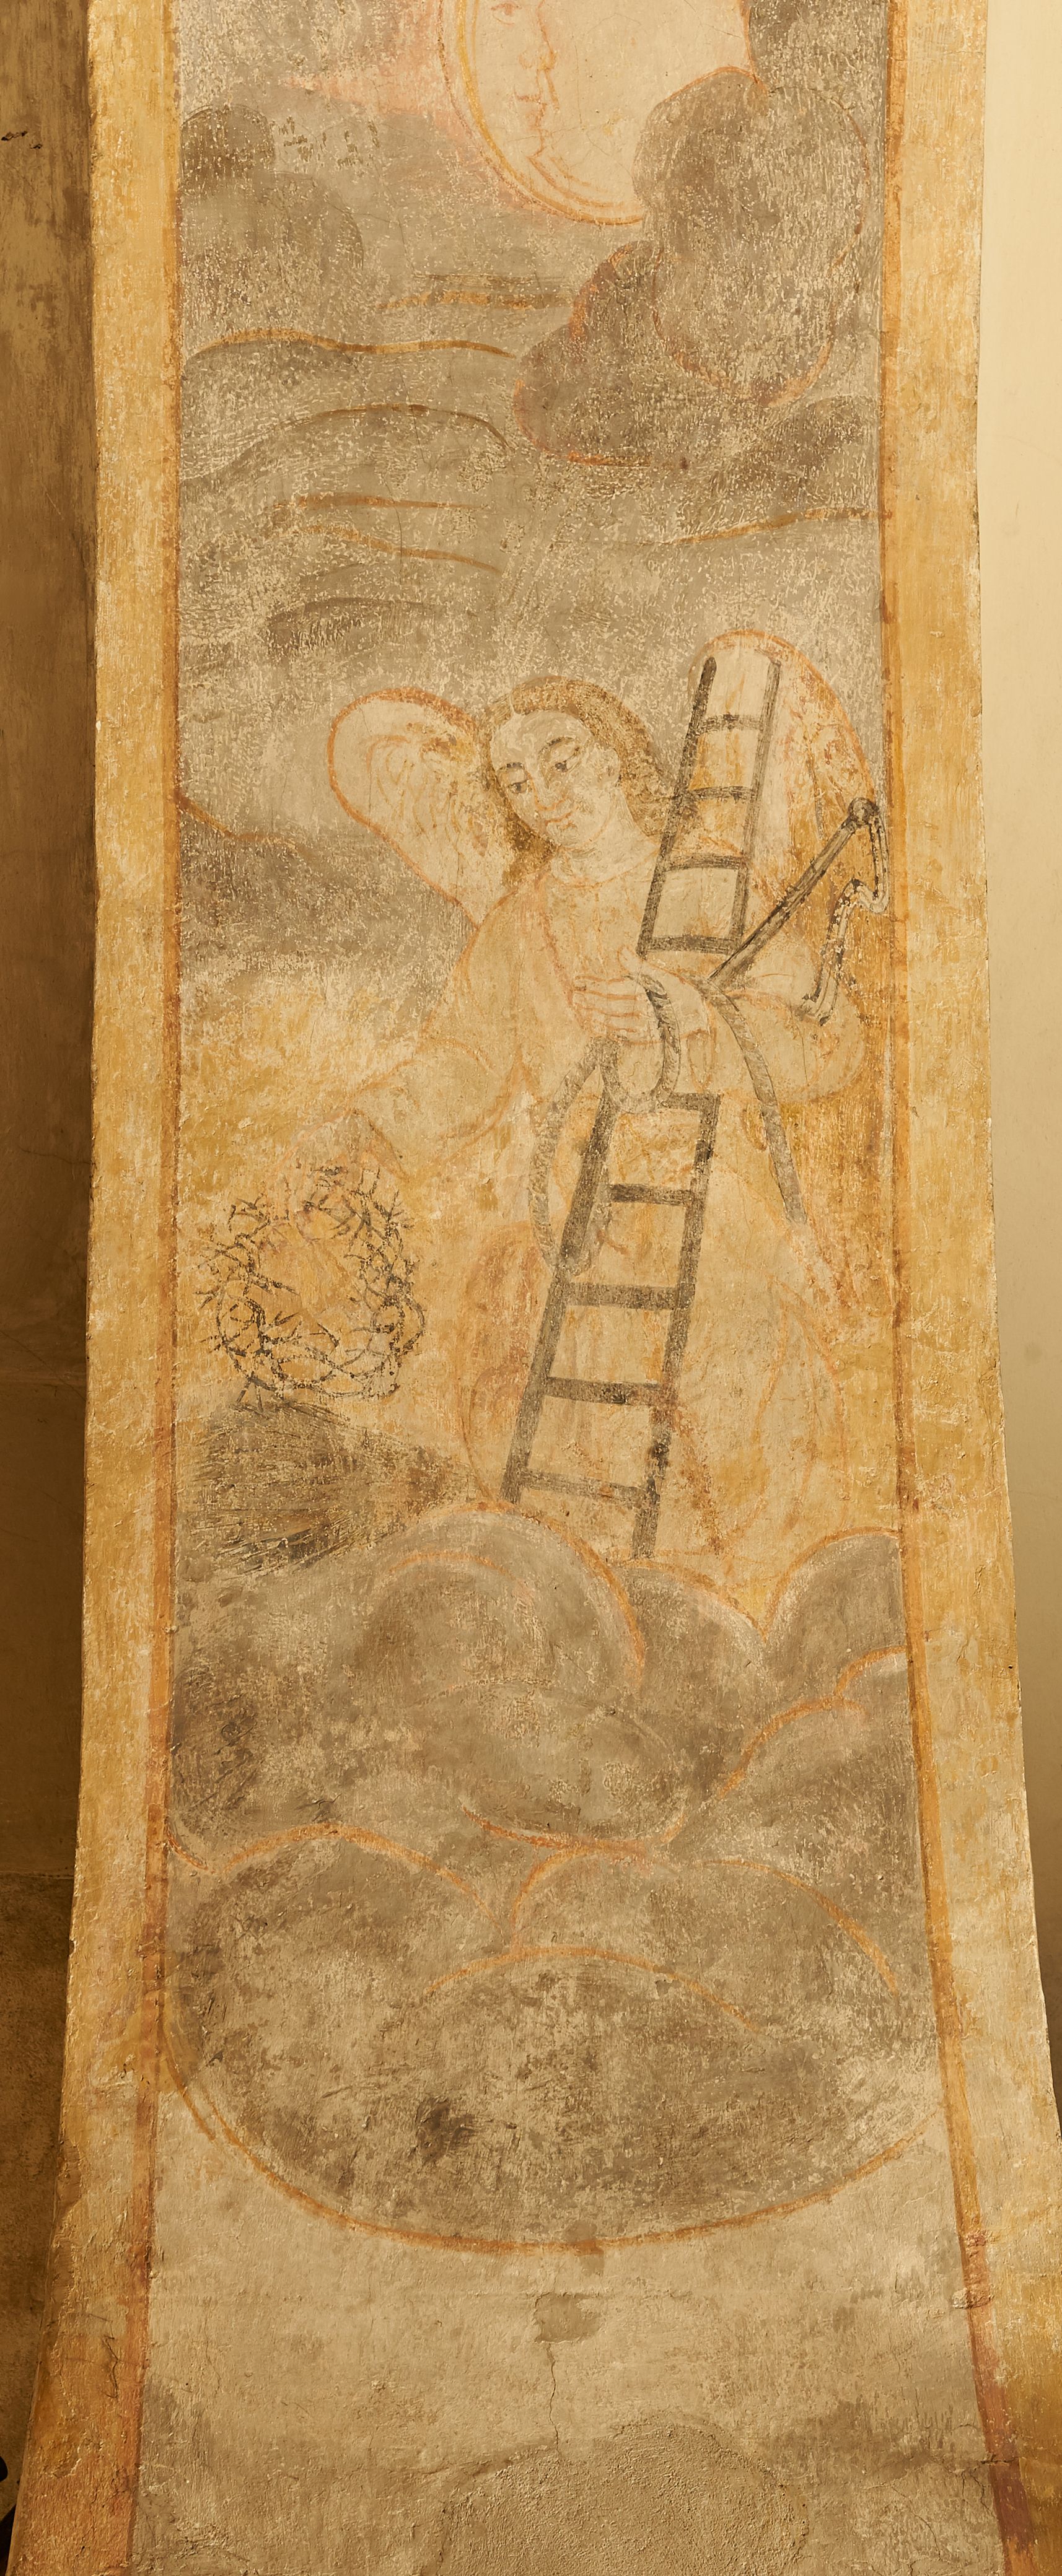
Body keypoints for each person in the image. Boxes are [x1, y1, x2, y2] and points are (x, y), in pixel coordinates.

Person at [317, 657, 880, 1609]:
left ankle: (731, 1615)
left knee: (730, 1431)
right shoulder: (520, 921)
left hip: (708, 1211)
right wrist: (367, 1118)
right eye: (515, 781)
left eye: (562, 760)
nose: (543, 793)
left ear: (616, 756)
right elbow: (464, 1060)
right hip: (575, 1226)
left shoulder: (708, 886)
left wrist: (692, 1019)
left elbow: (830, 1048)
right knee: (533, 1399)